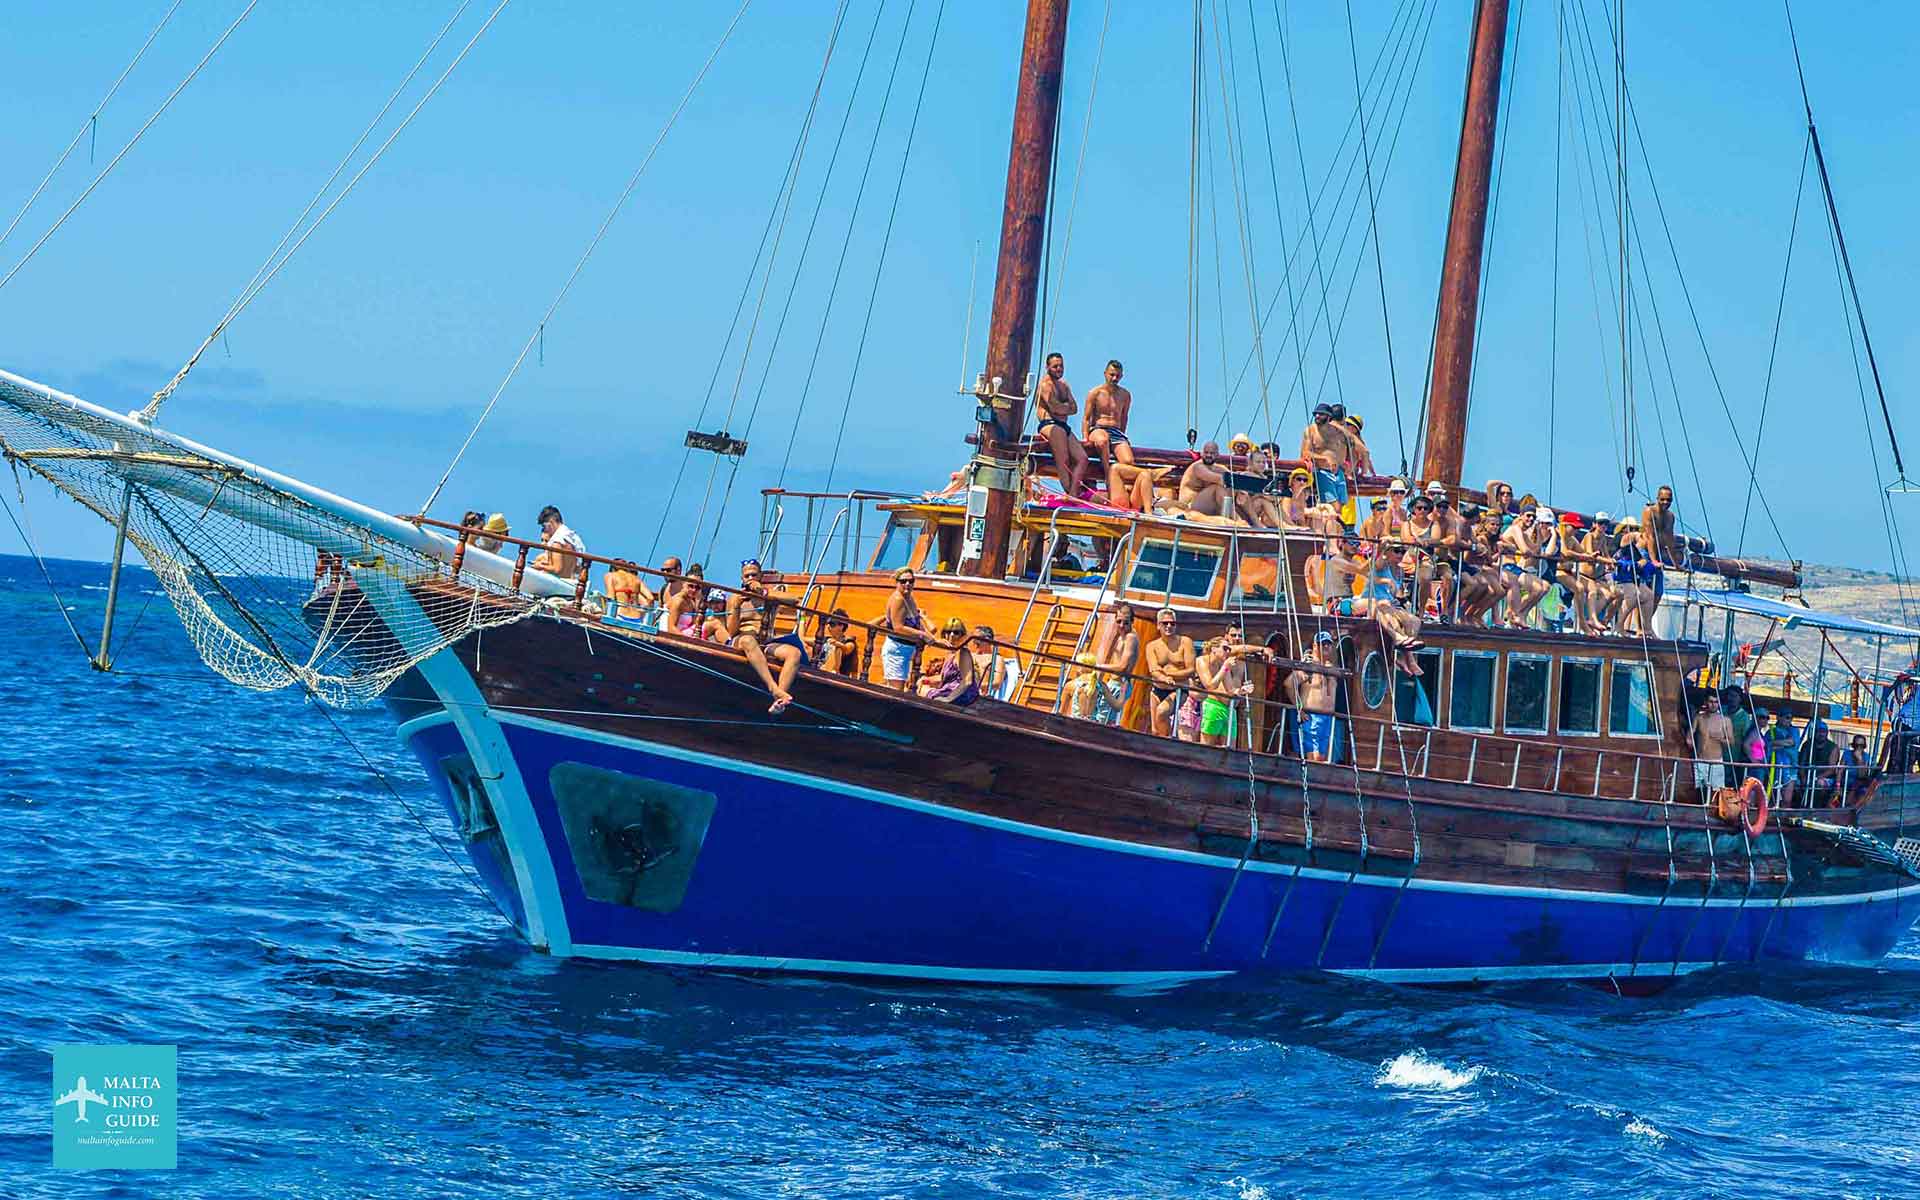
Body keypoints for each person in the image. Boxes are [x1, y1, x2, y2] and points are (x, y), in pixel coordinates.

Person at [1035, 352, 1091, 498]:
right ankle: (1071, 493)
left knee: (1082, 458)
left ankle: (1073, 492)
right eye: (1055, 366)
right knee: (1064, 460)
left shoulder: (1063, 385)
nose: (1059, 369)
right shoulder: (1045, 385)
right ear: (1047, 367)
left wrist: (1062, 408)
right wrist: (1064, 407)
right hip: (1049, 424)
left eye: (1061, 366)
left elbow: (1075, 408)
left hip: (1063, 426)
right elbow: (1054, 408)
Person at [1145, 608, 1199, 739]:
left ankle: (1167, 742)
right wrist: (1163, 677)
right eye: (1165, 623)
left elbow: (1191, 670)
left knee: (1162, 712)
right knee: (1155, 730)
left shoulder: (1185, 642)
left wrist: (1171, 676)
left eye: (1172, 623)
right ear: (1158, 625)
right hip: (1157, 689)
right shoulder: (1152, 646)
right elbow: (1153, 669)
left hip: (1179, 690)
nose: (1169, 626)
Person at [1290, 630, 1341, 762]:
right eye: (1322, 644)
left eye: (1328, 644)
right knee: (1314, 757)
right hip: (1312, 717)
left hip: (1328, 719)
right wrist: (1299, 708)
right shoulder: (1308, 666)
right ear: (1314, 646)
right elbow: (1289, 684)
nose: (1325, 646)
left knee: (1323, 758)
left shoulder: (1331, 668)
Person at [1497, 508, 1552, 629]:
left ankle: (1519, 615)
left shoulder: (1522, 532)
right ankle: (1513, 615)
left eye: (1533, 517)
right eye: (1528, 516)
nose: (1531, 519)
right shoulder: (1515, 529)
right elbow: (1525, 550)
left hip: (1514, 568)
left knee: (1545, 587)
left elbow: (1535, 549)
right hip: (1505, 567)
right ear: (1521, 515)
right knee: (1537, 588)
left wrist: (1537, 531)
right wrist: (1525, 551)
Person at [876, 567, 930, 690]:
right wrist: (923, 635)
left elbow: (917, 624)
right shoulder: (898, 599)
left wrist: (932, 638)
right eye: (903, 581)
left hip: (906, 651)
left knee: (899, 689)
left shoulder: (910, 598)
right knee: (896, 691)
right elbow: (898, 628)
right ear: (897, 582)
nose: (907, 584)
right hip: (897, 650)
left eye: (911, 581)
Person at [1082, 359, 1135, 482]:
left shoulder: (1125, 395)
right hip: (1098, 429)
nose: (1114, 378)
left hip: (1116, 432)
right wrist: (1085, 438)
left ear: (1121, 376)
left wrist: (1123, 435)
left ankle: (1124, 487)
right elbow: (1086, 418)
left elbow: (1124, 417)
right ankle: (1108, 474)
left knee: (1128, 461)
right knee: (1102, 441)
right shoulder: (1095, 393)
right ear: (1105, 373)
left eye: (1117, 375)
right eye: (1112, 375)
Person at [1300, 404, 1355, 507]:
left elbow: (1353, 446)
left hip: (1338, 472)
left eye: (1321, 414)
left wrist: (1346, 464)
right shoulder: (1311, 431)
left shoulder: (1338, 432)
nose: (1317, 416)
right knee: (1334, 506)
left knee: (1342, 505)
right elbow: (1305, 453)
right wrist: (1325, 458)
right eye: (1315, 414)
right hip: (1321, 471)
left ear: (1329, 416)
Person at [917, 618, 980, 705]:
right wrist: (927, 679)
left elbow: (967, 681)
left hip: (961, 695)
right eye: (948, 631)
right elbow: (943, 678)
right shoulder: (951, 653)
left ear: (962, 635)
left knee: (922, 691)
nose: (951, 635)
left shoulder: (963, 653)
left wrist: (948, 699)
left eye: (956, 632)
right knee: (921, 687)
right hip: (950, 691)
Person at [1690, 690, 1733, 798]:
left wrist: (1720, 738)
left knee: (1716, 793)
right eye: (1711, 701)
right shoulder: (1698, 718)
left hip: (1716, 761)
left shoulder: (1725, 720)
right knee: (1698, 792)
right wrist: (1689, 742)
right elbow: (1689, 734)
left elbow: (1731, 742)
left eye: (1716, 702)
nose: (1713, 705)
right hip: (1700, 760)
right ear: (1706, 702)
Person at [530, 505, 586, 580]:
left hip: (559, 583)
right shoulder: (573, 539)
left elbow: (557, 569)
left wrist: (540, 566)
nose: (545, 530)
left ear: (551, 522)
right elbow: (577, 568)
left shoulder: (557, 542)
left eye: (544, 526)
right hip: (571, 582)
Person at [1178, 442, 1230, 516]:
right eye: (1206, 452)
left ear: (1217, 455)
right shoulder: (1197, 467)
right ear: (1201, 454)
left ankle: (1251, 518)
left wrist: (1241, 492)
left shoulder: (1220, 468)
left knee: (1239, 491)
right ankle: (1235, 519)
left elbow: (1233, 478)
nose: (1208, 455)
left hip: (1208, 506)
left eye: (1212, 453)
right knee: (1217, 487)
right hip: (1189, 506)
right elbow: (1220, 479)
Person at [1641, 485, 1682, 572]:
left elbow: (1670, 541)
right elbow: (1650, 537)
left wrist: (1676, 565)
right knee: (1645, 583)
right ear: (1657, 498)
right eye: (1662, 499)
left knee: (1658, 584)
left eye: (1668, 500)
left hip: (1658, 554)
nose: (1665, 502)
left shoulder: (1670, 516)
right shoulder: (1649, 512)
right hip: (1645, 552)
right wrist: (1654, 561)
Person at [663, 562, 707, 636]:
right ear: (683, 583)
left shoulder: (691, 602)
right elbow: (671, 628)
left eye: (697, 587)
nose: (694, 590)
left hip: (682, 634)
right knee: (712, 624)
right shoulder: (678, 601)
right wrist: (689, 641)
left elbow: (695, 623)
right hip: (671, 636)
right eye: (690, 586)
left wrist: (698, 601)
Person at [814, 608, 860, 678]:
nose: (829, 627)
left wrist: (836, 644)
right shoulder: (827, 639)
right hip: (820, 670)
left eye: (832, 625)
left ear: (841, 626)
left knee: (837, 648)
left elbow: (846, 648)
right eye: (829, 625)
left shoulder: (849, 642)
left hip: (839, 677)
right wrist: (802, 619)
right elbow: (803, 640)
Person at [968, 624, 1007, 699]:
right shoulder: (969, 655)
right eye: (973, 639)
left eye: (977, 639)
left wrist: (974, 686)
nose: (974, 642)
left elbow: (997, 683)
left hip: (980, 696)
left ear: (987, 640)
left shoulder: (996, 659)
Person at [1840, 734, 1874, 804]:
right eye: (1856, 745)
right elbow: (1840, 770)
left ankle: (1850, 808)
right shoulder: (1847, 753)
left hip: (1859, 783)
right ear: (1853, 745)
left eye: (1861, 745)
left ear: (1864, 746)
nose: (1858, 747)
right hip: (1846, 781)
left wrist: (1860, 760)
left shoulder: (1866, 757)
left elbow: (1862, 775)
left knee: (1860, 788)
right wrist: (1837, 785)